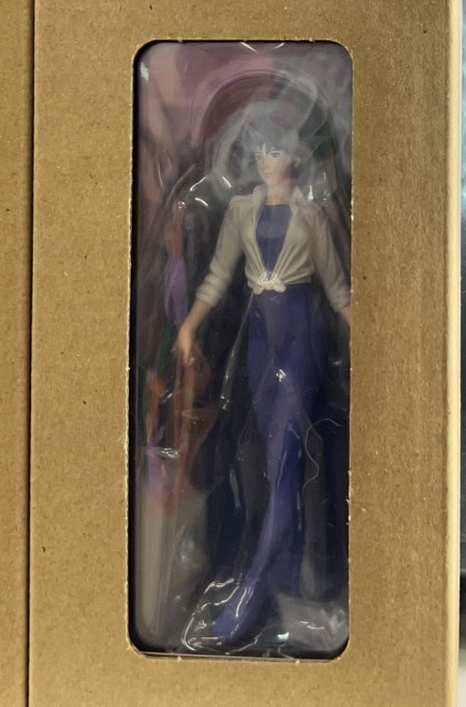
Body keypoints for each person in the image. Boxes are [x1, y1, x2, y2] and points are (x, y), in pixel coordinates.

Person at [175, 104, 350, 648]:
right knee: (266, 467)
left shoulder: (312, 216)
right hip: (259, 336)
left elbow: (338, 290)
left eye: (273, 149)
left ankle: (252, 588)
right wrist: (189, 327)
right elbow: (216, 276)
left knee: (286, 459)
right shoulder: (241, 212)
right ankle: (283, 574)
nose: (263, 159)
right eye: (258, 150)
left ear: (293, 157)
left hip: (300, 337)